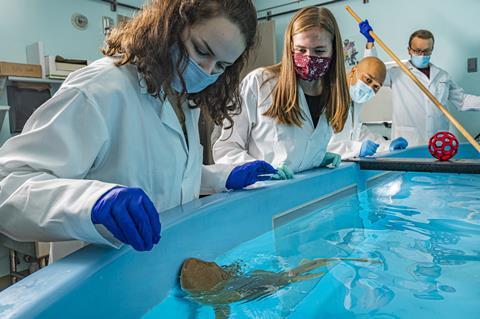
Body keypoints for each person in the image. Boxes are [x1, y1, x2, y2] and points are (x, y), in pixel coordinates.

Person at [0, 0, 275, 257]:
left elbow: (164, 175)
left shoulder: (182, 98)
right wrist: (92, 202)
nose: (207, 71)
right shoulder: (101, 88)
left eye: (221, 66)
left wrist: (219, 178)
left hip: (157, 268)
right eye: (202, 51)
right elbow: (9, 187)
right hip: (98, 279)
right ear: (169, 26)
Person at [213, 7, 350, 179]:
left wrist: (314, 159)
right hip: (260, 194)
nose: (309, 58)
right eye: (300, 50)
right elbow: (226, 148)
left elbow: (295, 151)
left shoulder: (333, 94)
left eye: (319, 51)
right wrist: (256, 170)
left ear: (334, 51)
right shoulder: (260, 83)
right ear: (290, 47)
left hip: (303, 196)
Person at [359, 21, 480, 147]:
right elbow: (371, 72)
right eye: (417, 51)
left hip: (438, 145)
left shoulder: (442, 76)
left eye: (426, 51)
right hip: (408, 144)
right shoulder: (396, 74)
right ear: (409, 50)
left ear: (432, 50)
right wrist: (370, 44)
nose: (422, 55)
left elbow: (462, 101)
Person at [180, 257, 380, 318]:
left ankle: (339, 259)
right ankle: (341, 259)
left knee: (290, 276)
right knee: (290, 276)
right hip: (256, 280)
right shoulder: (225, 288)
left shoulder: (218, 300)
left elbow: (222, 308)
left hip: (255, 284)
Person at [328, 56, 408, 159]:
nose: (369, 88)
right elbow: (318, 148)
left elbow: (357, 134)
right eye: (367, 79)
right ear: (353, 71)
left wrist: (386, 145)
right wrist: (356, 149)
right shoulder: (329, 97)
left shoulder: (354, 102)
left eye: (376, 87)